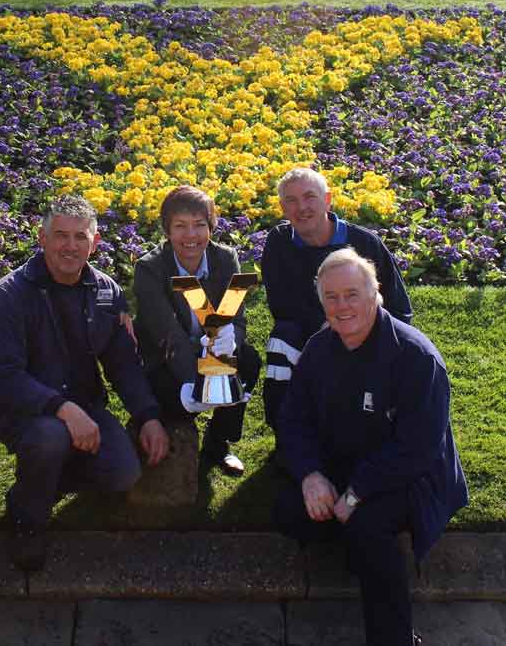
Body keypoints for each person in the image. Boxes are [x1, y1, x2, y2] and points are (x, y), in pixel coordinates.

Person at [274, 248, 468, 646]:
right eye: (331, 297)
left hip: (410, 476)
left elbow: (418, 448)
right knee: (289, 509)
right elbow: (293, 421)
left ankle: (395, 637)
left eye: (351, 294)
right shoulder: (318, 347)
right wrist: (311, 475)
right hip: (344, 461)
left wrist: (357, 490)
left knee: (367, 527)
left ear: (375, 292)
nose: (342, 306)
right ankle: (352, 545)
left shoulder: (416, 358)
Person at [0, 194, 170, 571]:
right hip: (23, 410)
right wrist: (63, 409)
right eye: (60, 235)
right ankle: (27, 518)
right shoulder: (9, 296)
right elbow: (6, 376)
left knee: (123, 473)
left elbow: (123, 366)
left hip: (83, 406)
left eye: (80, 237)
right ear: (42, 238)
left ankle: (43, 479)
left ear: (94, 242)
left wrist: (148, 415)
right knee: (51, 438)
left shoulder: (105, 291)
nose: (70, 246)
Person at [260, 167, 413, 431]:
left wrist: (354, 330)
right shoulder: (279, 242)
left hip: (365, 330)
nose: (302, 208)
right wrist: (328, 330)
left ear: (327, 200)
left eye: (310, 197)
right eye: (291, 201)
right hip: (311, 332)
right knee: (282, 338)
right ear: (283, 208)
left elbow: (399, 307)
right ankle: (286, 434)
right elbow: (282, 305)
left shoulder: (365, 243)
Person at [130, 185, 263, 476]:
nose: (191, 236)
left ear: (211, 227)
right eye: (180, 226)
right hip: (165, 358)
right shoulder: (149, 268)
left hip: (208, 352)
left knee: (248, 360)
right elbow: (168, 334)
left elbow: (236, 320)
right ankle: (163, 428)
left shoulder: (225, 259)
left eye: (199, 225)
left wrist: (230, 341)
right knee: (171, 396)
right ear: (167, 230)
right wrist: (196, 381)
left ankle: (218, 445)